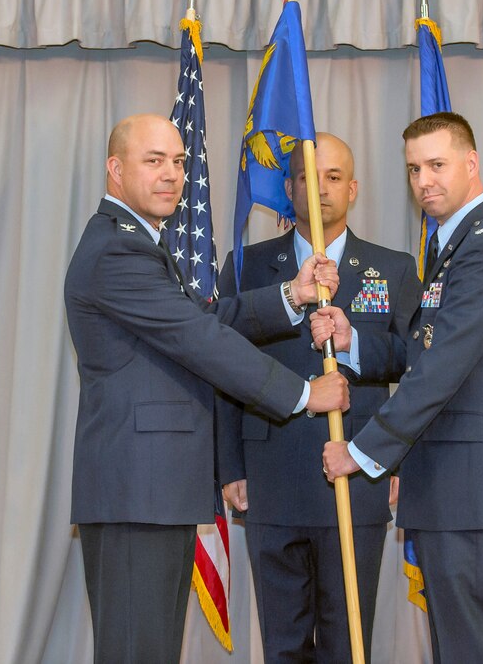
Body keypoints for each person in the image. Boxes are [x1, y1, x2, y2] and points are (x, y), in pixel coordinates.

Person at [64, 114, 350, 664]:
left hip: (152, 489)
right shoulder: (116, 250)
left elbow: (208, 318)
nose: (172, 175)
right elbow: (199, 339)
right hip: (136, 491)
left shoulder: (142, 244)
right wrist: (302, 395)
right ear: (115, 169)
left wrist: (290, 293)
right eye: (154, 161)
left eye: (178, 162)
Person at [316, 112, 483, 664]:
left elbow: (443, 367)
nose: (425, 181)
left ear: (471, 164)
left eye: (438, 165)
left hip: (475, 487)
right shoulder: (455, 243)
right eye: (414, 169)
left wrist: (363, 451)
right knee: (459, 646)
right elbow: (424, 347)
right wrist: (355, 344)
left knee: (474, 648)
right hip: (457, 486)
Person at [215, 132, 421, 663]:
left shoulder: (393, 267)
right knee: (282, 645)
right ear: (289, 187)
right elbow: (219, 363)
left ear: (353, 188)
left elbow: (416, 361)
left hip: (357, 476)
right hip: (271, 475)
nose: (321, 188)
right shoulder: (246, 267)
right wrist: (229, 465)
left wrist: (354, 346)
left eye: (334, 177)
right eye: (308, 176)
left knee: (348, 643)